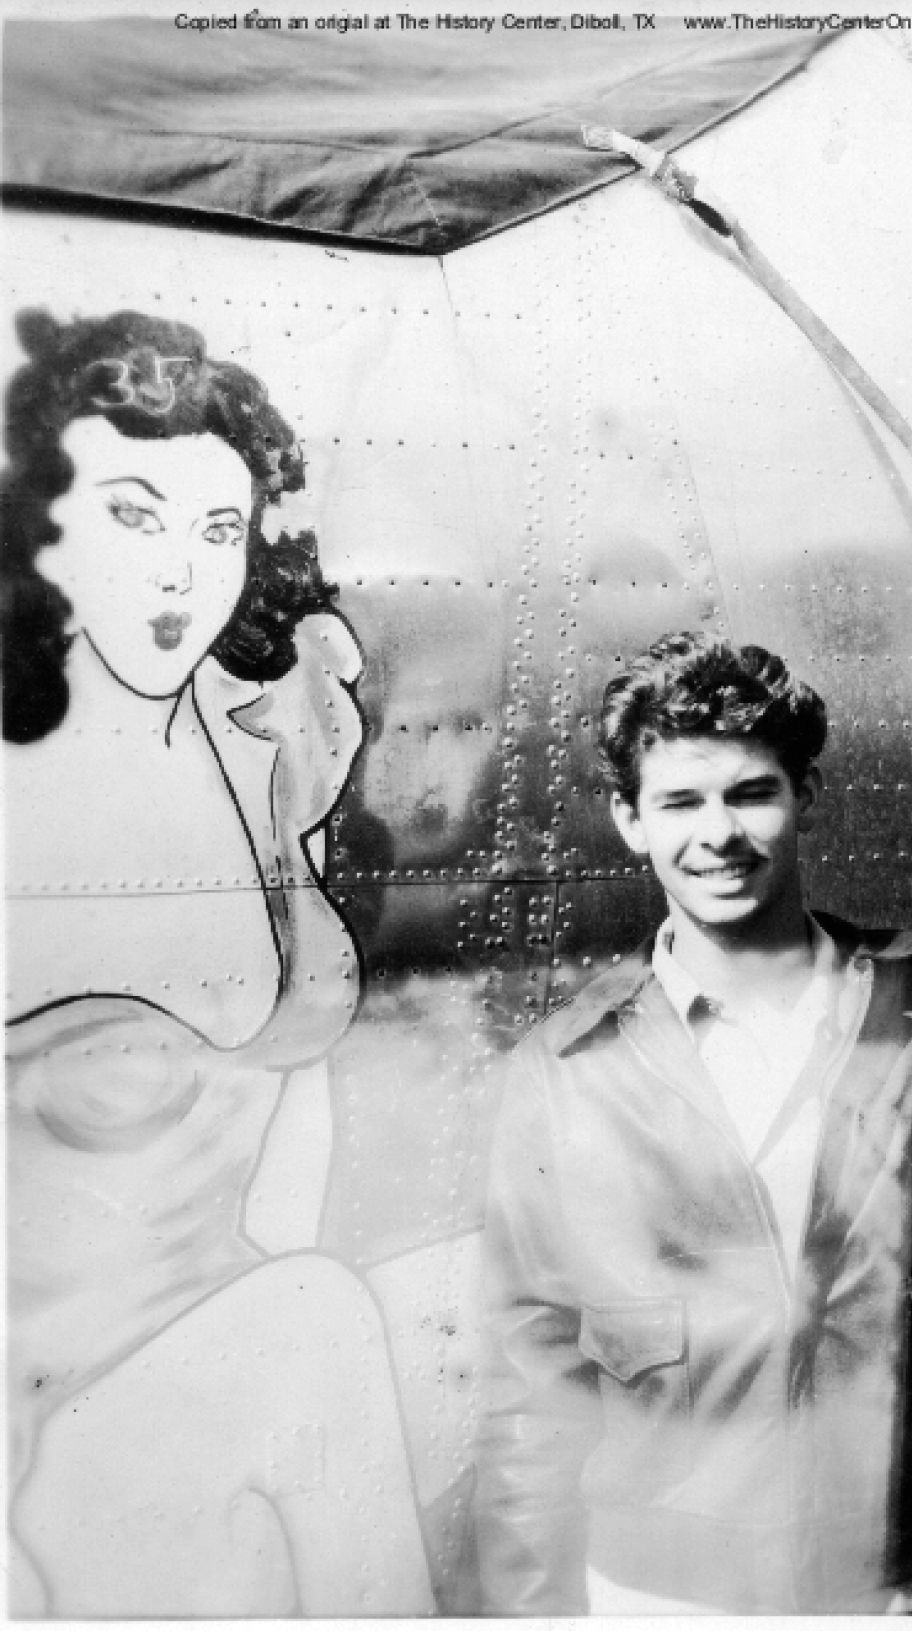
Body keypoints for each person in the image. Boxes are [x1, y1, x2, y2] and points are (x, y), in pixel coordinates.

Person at [474, 630, 912, 1615]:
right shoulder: (561, 1072)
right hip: (666, 1598)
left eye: (750, 792)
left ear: (804, 794)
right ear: (628, 819)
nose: (717, 833)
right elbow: (528, 1389)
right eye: (679, 800)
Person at [3, 309, 433, 1615]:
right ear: (41, 527)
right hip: (38, 1431)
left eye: (215, 531)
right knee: (320, 1324)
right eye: (133, 517)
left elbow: (287, 1116)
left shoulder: (264, 753)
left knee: (340, 1313)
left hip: (217, 1384)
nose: (179, 576)